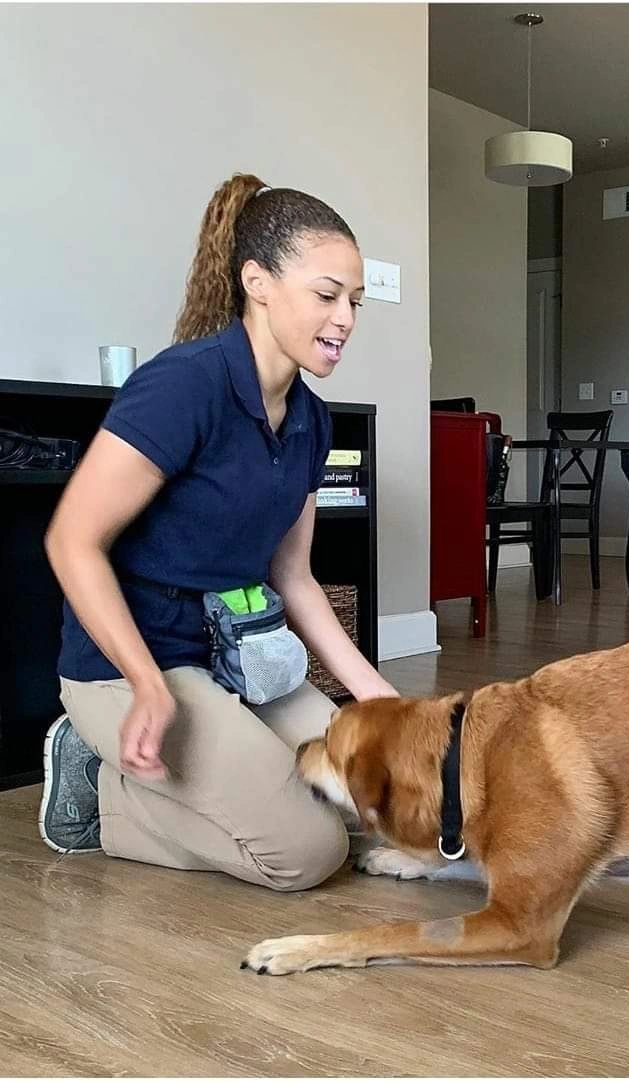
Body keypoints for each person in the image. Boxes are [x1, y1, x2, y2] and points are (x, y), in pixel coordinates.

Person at [38, 173, 397, 890]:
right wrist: (147, 684)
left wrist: (382, 701)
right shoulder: (184, 386)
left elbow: (294, 578)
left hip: (238, 653)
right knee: (308, 852)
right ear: (257, 283)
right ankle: (100, 791)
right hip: (133, 665)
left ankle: (219, 776)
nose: (346, 318)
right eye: (328, 295)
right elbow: (71, 540)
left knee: (379, 801)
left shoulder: (312, 420)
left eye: (354, 301)